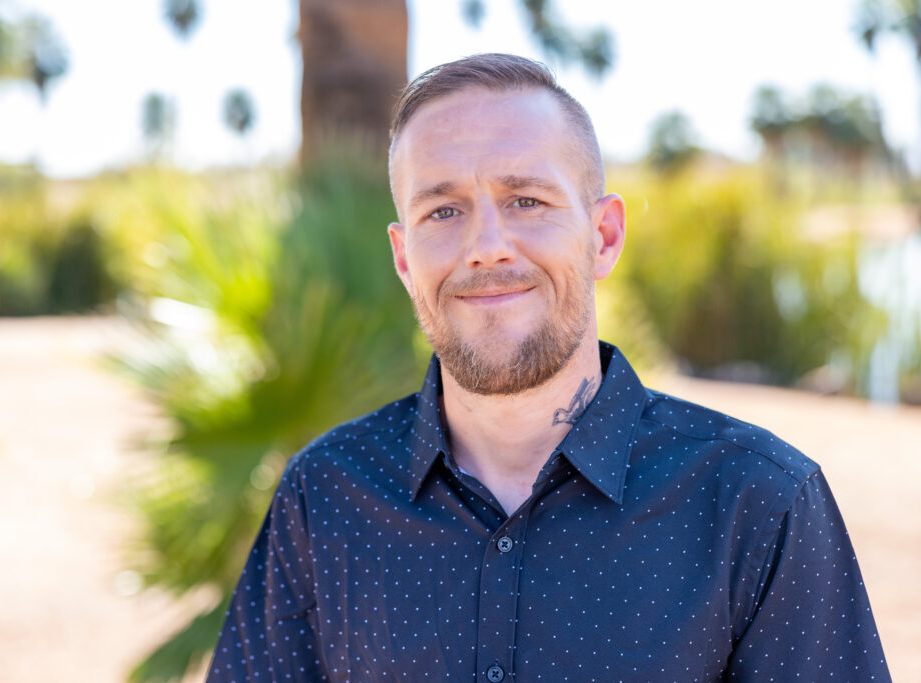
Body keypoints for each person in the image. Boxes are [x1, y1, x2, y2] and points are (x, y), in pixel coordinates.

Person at [206, 53, 890, 682]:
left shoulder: (757, 502)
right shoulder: (324, 498)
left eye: (526, 201)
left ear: (604, 235)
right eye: (443, 210)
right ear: (405, 257)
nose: (486, 246)